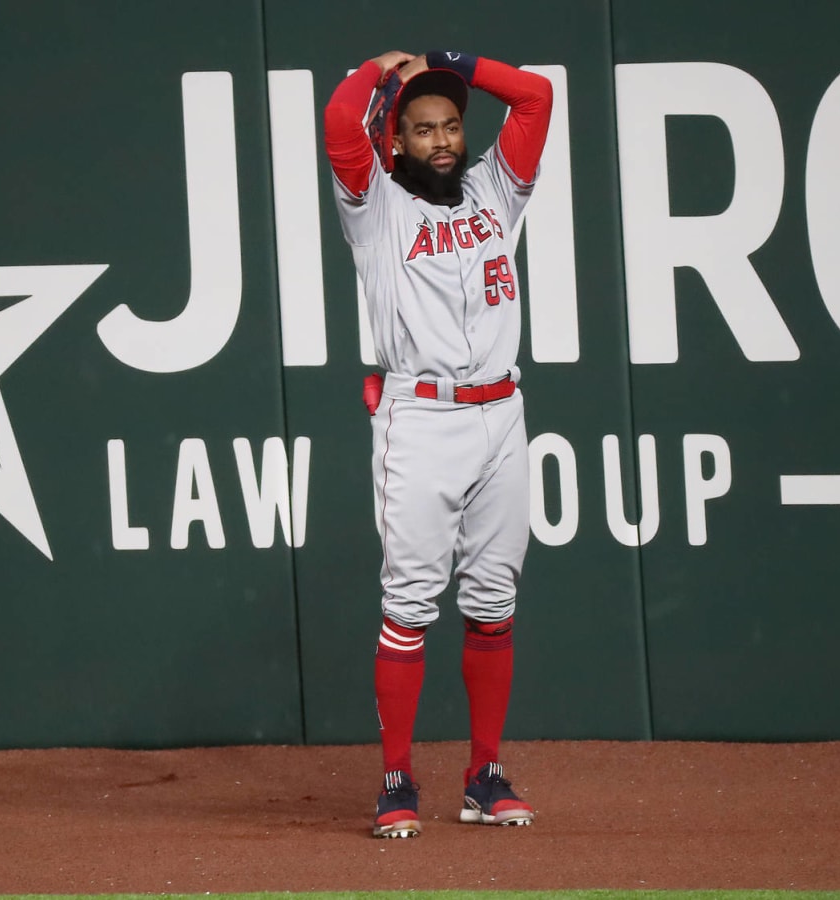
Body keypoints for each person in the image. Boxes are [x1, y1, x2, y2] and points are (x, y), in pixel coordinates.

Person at [323, 49, 553, 839]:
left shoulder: (494, 189)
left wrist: (458, 63)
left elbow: (536, 98)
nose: (444, 140)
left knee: (494, 604)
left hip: (502, 416)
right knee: (409, 607)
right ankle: (395, 779)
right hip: (421, 419)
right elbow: (335, 127)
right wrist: (376, 74)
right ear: (397, 142)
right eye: (424, 130)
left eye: (452, 125)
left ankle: (483, 776)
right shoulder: (375, 206)